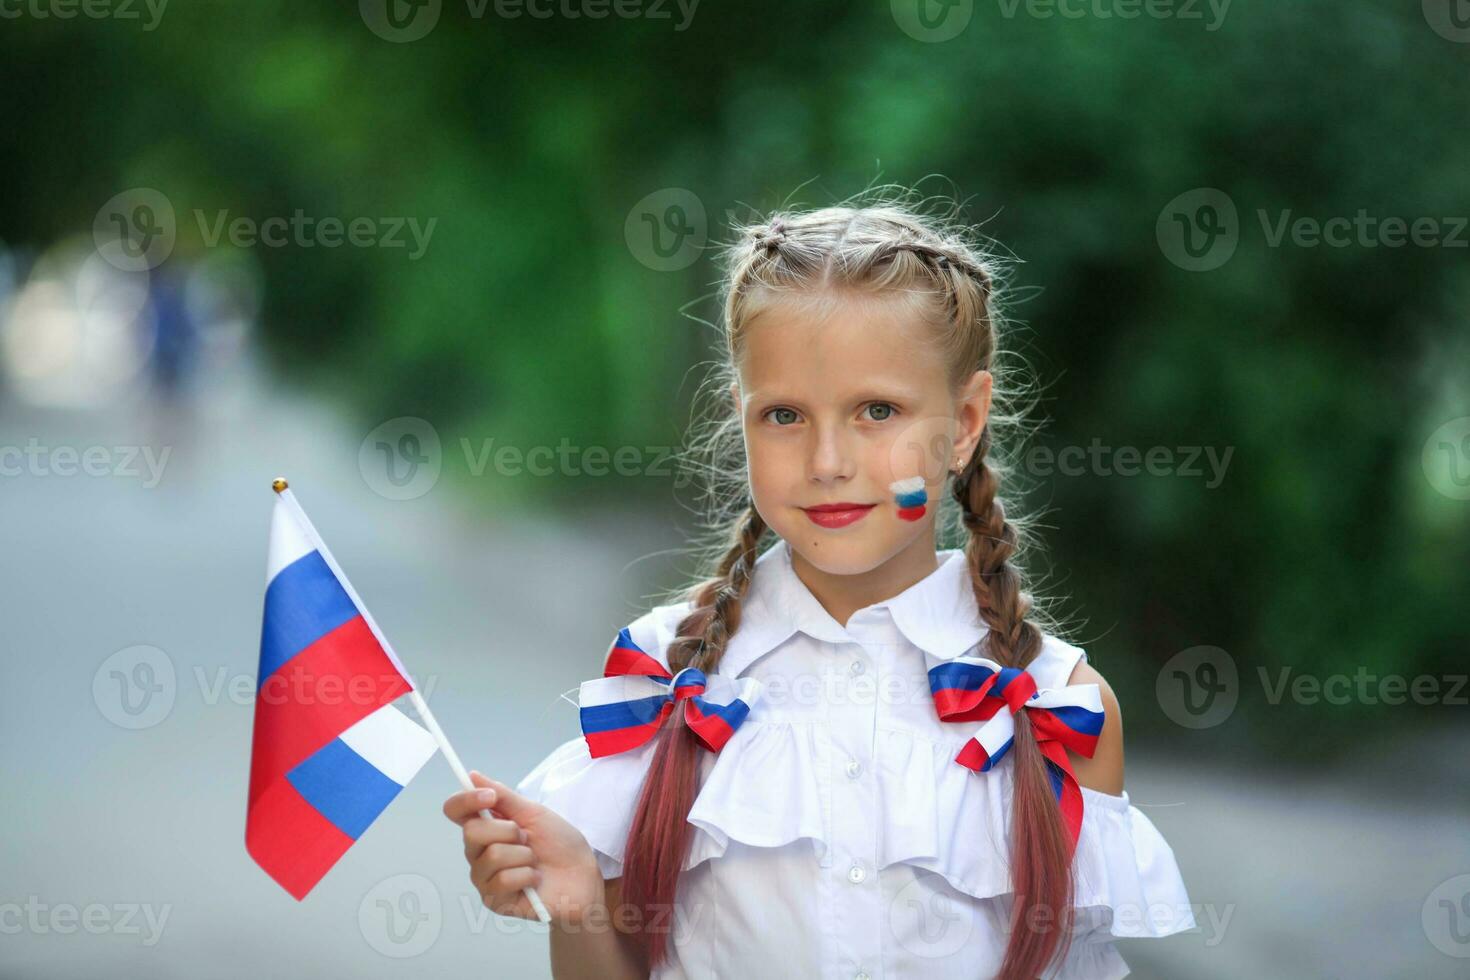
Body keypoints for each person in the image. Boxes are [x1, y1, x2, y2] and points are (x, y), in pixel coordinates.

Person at [442, 194, 1195, 979]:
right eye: (784, 416)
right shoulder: (662, 680)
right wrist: (580, 909)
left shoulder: (1058, 709)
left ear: (966, 422)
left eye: (877, 410)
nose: (828, 461)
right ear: (741, 417)